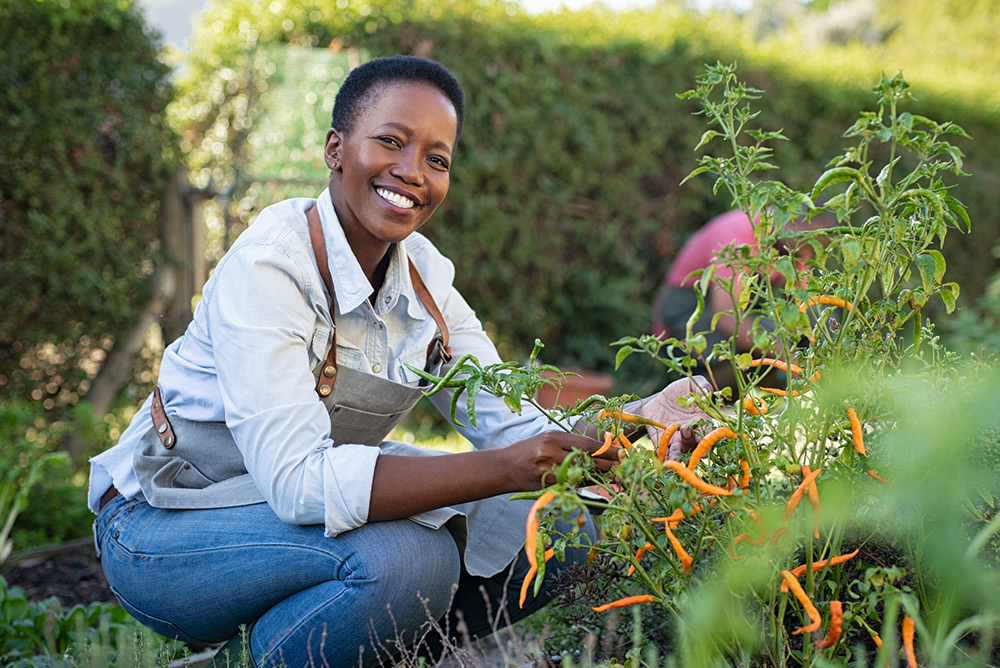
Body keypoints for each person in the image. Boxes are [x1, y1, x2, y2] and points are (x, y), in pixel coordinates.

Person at [89, 55, 709, 668]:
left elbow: (517, 427)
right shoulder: (270, 268)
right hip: (163, 528)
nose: (413, 172)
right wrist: (505, 470)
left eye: (436, 160)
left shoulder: (426, 282)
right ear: (336, 148)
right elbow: (299, 483)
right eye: (391, 142)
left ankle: (358, 655)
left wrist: (643, 421)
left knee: (568, 529)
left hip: (283, 520)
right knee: (409, 561)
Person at [652, 208, 829, 389]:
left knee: (822, 317)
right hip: (684, 320)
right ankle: (701, 393)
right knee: (770, 334)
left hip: (733, 314)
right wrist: (785, 353)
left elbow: (807, 303)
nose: (806, 252)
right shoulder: (737, 235)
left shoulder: (794, 247)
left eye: (814, 247)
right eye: (804, 243)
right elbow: (726, 318)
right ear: (789, 221)